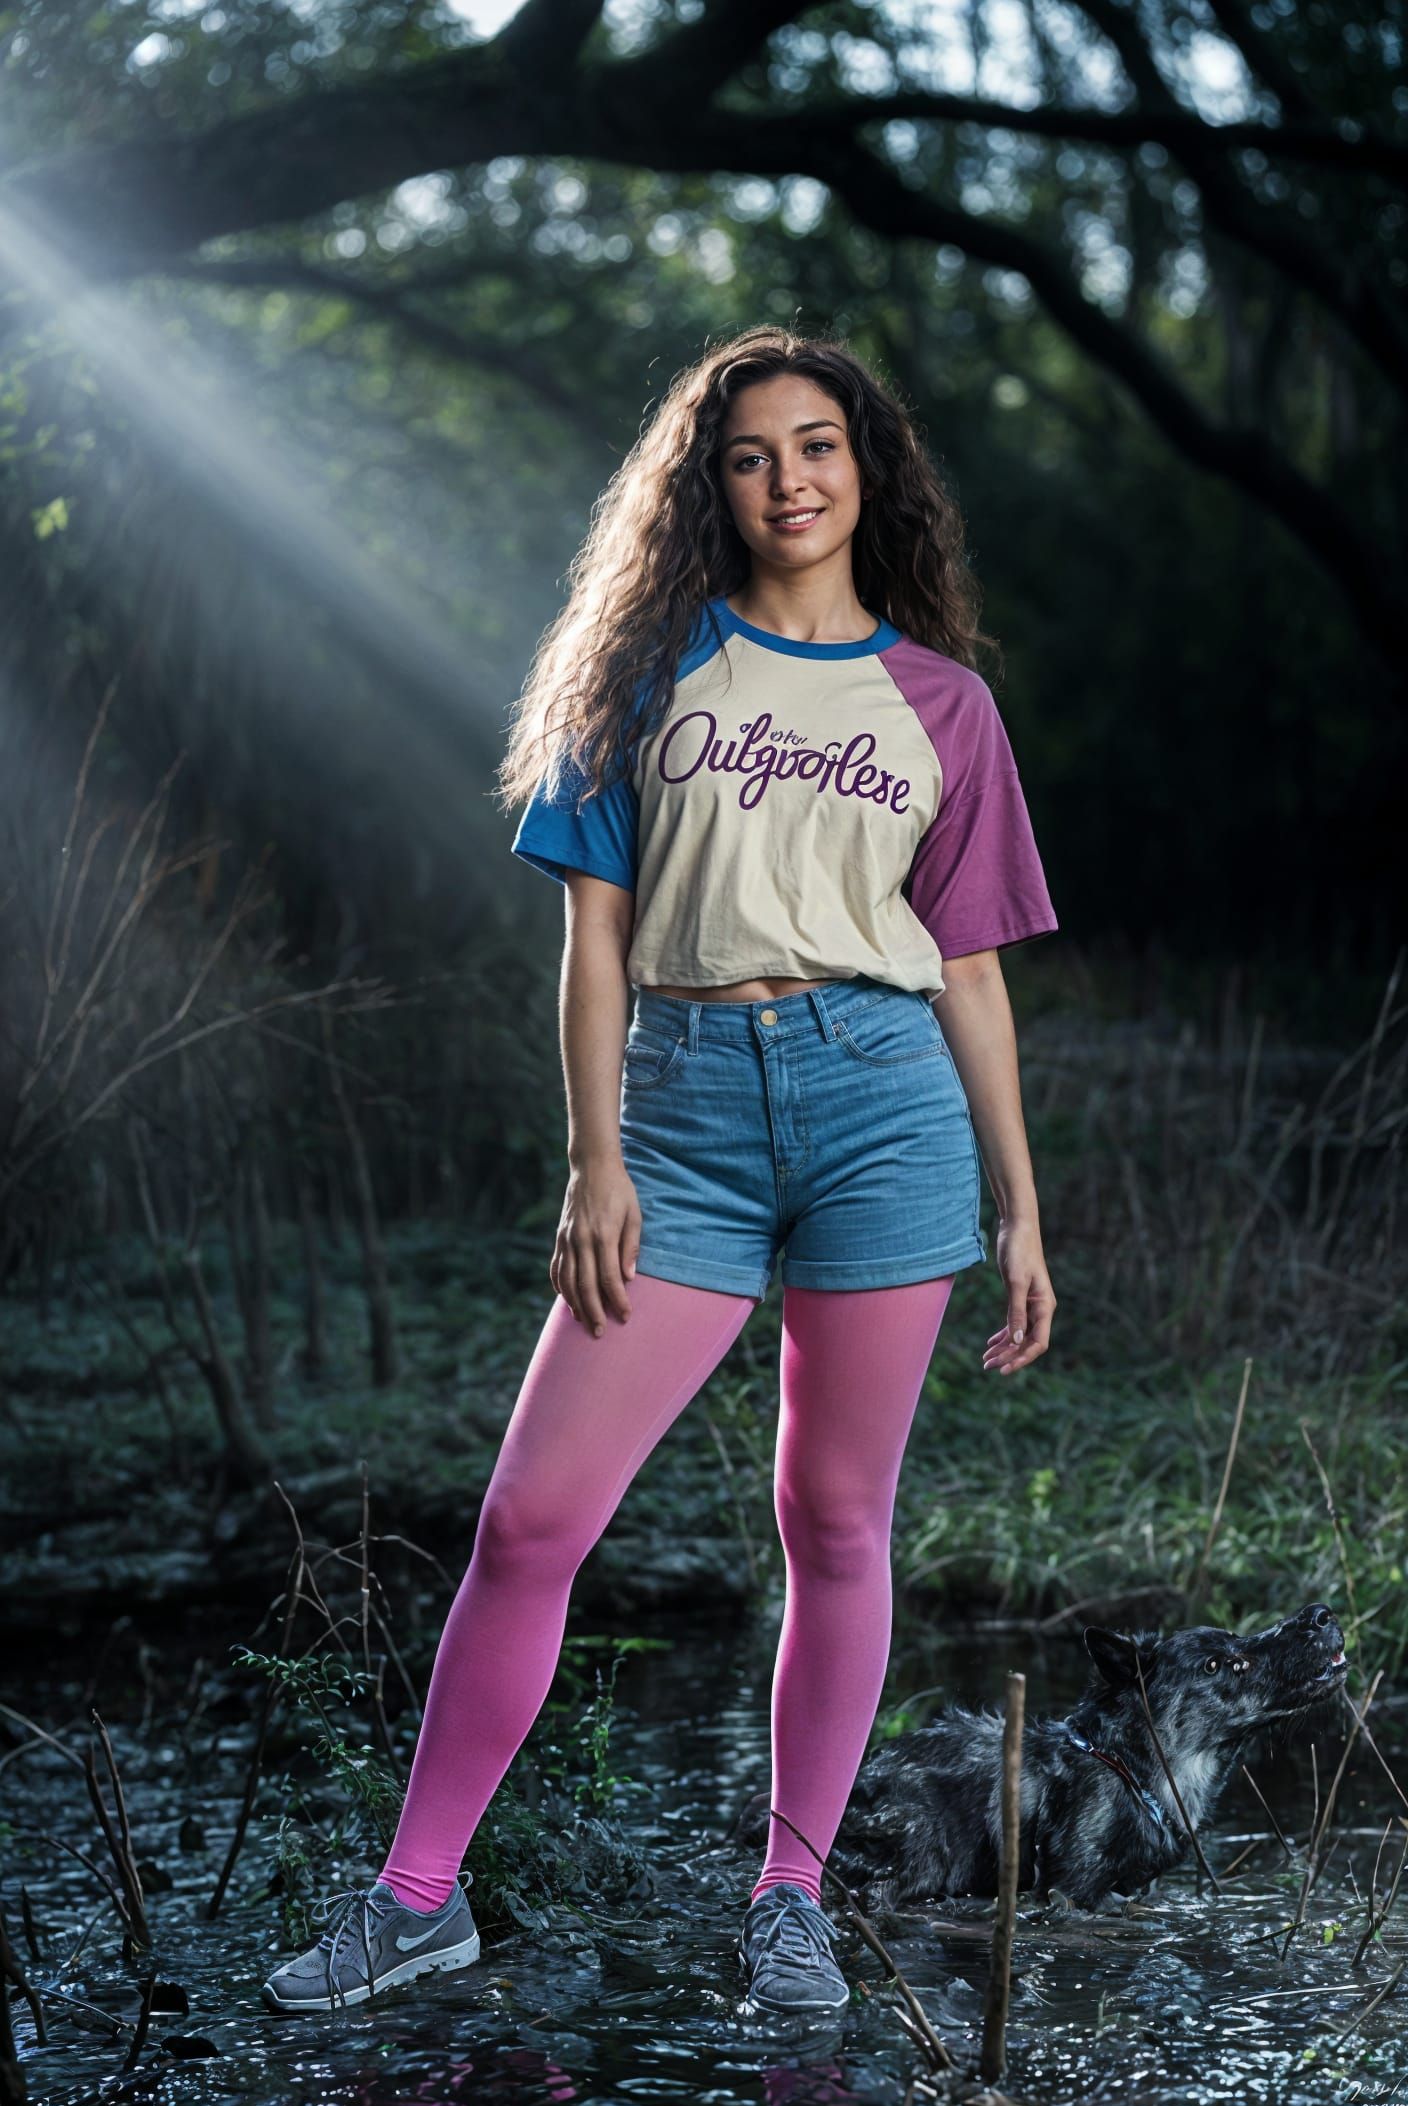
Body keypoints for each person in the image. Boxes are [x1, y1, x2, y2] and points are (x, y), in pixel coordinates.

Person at [263, 323, 1059, 2018]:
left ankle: (789, 1899)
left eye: (821, 446)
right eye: (755, 453)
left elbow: (973, 965)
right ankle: (417, 1901)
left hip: (884, 1103)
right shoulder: (646, 675)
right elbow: (597, 936)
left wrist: (1018, 1198)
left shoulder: (945, 705)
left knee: (833, 1518)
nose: (791, 478)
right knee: (532, 1516)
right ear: (712, 484)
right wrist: (595, 1157)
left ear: (870, 471)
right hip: (682, 1113)